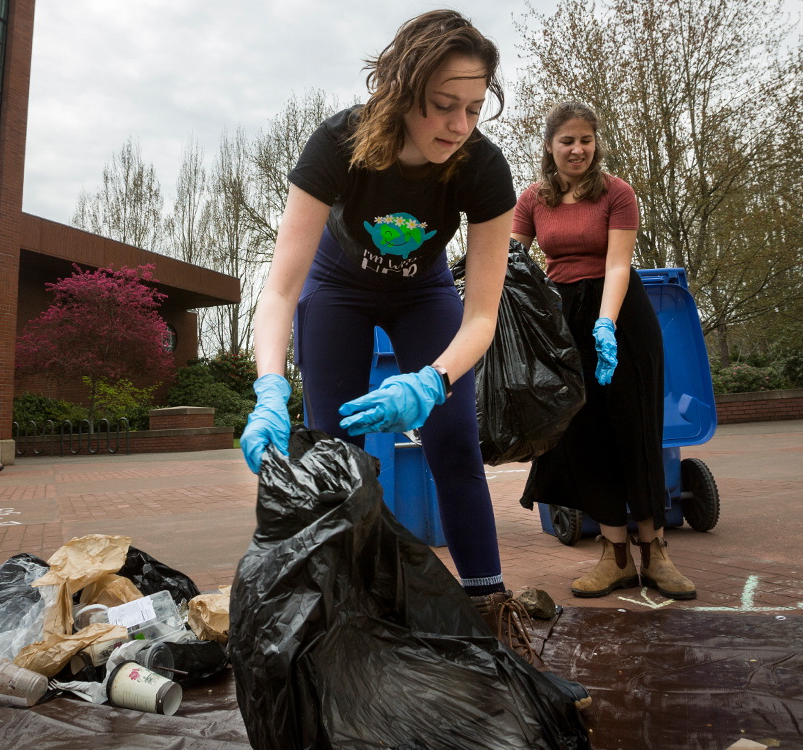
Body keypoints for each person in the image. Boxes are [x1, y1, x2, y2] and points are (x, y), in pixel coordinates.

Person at [239, 10, 589, 707]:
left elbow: (484, 313)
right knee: (334, 460)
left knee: (453, 445)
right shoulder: (338, 141)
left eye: (473, 107)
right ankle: (339, 631)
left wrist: (432, 380)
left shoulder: (482, 166)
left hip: (425, 295)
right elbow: (279, 286)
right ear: (401, 91)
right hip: (335, 290)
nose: (459, 125)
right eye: (442, 106)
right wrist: (270, 387)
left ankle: (491, 627)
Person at [512, 102, 697, 602]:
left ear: (596, 144)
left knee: (635, 430)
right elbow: (509, 261)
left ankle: (655, 553)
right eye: (567, 140)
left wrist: (605, 323)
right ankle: (614, 557)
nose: (577, 149)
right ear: (550, 147)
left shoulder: (617, 193)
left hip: (620, 317)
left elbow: (617, 265)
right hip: (560, 322)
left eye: (585, 140)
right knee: (584, 435)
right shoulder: (531, 200)